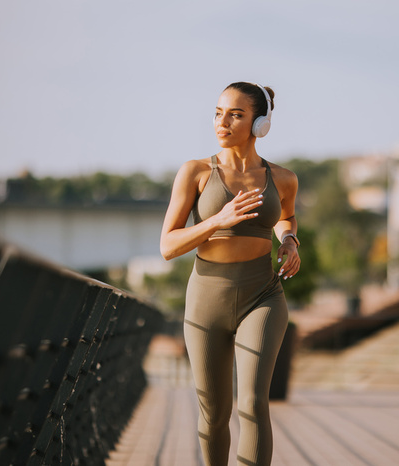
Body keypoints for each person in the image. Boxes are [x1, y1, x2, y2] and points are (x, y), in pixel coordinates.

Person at [160, 82, 300, 465]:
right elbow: (168, 246)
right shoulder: (196, 172)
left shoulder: (283, 178)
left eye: (236, 114)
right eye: (219, 112)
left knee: (254, 404)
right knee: (213, 415)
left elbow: (285, 216)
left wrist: (289, 241)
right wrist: (217, 220)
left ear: (260, 125)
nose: (223, 121)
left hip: (263, 295)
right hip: (207, 299)